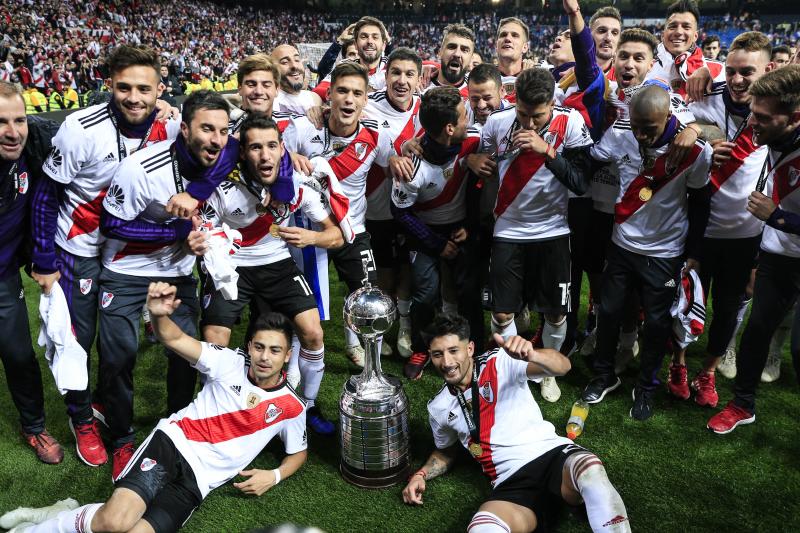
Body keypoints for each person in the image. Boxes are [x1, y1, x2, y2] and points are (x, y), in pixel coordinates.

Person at [7, 283, 307, 533]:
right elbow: (174, 337)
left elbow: (298, 452)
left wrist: (275, 475)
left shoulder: (291, 406)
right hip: (173, 444)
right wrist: (159, 315)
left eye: (274, 350)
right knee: (114, 521)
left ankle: (62, 511)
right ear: (250, 345)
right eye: (259, 347)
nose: (264, 357)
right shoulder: (228, 361)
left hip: (198, 483)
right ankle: (36, 527)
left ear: (287, 355)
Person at [30, 45, 181, 469]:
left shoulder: (170, 129)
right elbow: (46, 194)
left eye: (144, 89)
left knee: (119, 347)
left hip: (132, 255)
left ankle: (104, 408)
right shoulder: (80, 127)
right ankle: (82, 421)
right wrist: (44, 260)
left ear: (159, 90)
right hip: (78, 250)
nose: (135, 98)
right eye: (125, 87)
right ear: (110, 85)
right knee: (77, 342)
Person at [97, 90, 239, 478]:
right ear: (184, 128)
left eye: (222, 130)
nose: (216, 139)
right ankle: (123, 439)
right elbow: (111, 224)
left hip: (176, 273)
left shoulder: (220, 152)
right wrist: (177, 233)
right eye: (206, 129)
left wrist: (197, 195)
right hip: (126, 270)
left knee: (187, 353)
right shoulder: (141, 167)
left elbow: (232, 149)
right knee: (118, 355)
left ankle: (176, 426)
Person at [401, 313, 629, 533]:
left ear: (469, 348)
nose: (447, 362)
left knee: (590, 472)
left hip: (553, 457)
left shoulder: (500, 361)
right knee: (482, 528)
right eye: (437, 354)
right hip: (510, 483)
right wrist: (420, 475)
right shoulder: (439, 406)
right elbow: (446, 451)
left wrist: (533, 355)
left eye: (453, 351)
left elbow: (563, 366)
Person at [197, 113, 346, 436]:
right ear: (242, 153)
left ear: (282, 149)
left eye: (271, 146)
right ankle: (220, 412)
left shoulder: (295, 186)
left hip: (277, 264)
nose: (265, 156)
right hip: (233, 267)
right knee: (214, 342)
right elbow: (204, 235)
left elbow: (335, 235)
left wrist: (312, 238)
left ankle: (306, 405)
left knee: (313, 333)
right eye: (255, 148)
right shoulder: (222, 188)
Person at [580, 86, 712, 420]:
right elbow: (593, 161)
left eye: (649, 128)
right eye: (635, 125)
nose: (640, 134)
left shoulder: (694, 150)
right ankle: (604, 376)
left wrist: (694, 251)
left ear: (669, 116)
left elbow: (700, 203)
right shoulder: (622, 131)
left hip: (665, 251)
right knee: (607, 312)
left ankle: (646, 387)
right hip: (621, 243)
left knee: (656, 324)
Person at [665, 31, 773, 406]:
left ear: (768, 70)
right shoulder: (705, 92)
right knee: (684, 300)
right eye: (731, 70)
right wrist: (697, 131)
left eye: (748, 72)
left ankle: (707, 370)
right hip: (696, 227)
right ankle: (678, 363)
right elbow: (672, 109)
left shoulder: (777, 109)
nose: (738, 80)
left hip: (745, 233)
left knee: (728, 309)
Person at [481, 68, 594, 403]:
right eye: (523, 114)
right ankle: (515, 370)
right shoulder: (497, 123)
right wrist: (474, 159)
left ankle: (546, 372)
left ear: (551, 105)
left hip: (553, 231)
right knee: (502, 314)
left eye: (537, 116)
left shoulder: (569, 123)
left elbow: (581, 183)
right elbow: (483, 158)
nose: (529, 123)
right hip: (508, 230)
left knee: (556, 313)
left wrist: (548, 151)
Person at [708, 65, 800, 434]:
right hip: (778, 255)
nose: (752, 124)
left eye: (762, 118)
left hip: (784, 238)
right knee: (757, 330)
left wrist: (777, 218)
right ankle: (742, 404)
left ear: (793, 118)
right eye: (751, 114)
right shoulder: (771, 138)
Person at [283, 62, 394, 367]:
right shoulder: (303, 128)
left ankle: (366, 359)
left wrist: (403, 154)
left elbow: (392, 158)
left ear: (365, 99)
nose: (348, 99)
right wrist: (288, 156)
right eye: (342, 91)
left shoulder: (376, 135)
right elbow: (273, 162)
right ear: (328, 95)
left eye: (357, 93)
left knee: (370, 301)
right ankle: (294, 369)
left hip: (352, 230)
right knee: (301, 306)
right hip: (308, 230)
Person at [390, 87, 483, 380]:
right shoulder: (411, 165)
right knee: (426, 293)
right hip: (425, 234)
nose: (470, 120)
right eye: (464, 115)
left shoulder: (475, 143)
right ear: (450, 128)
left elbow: (481, 192)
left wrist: (470, 226)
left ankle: (477, 349)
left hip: (462, 228)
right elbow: (400, 212)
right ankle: (422, 347)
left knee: (469, 292)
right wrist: (436, 243)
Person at [0, 81, 64, 464]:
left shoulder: (38, 138)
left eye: (19, 119)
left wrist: (164, 112)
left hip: (4, 277)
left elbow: (98, 129)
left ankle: (34, 427)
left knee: (20, 355)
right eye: (1, 122)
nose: (13, 131)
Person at [363, 47, 424, 358]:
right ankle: (380, 331)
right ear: (385, 76)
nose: (401, 80)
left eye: (409, 74)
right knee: (384, 274)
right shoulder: (367, 106)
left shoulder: (426, 110)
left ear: (419, 79)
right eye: (396, 73)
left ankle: (405, 327)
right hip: (376, 208)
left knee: (407, 270)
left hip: (414, 208)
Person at [313, 16, 390, 100]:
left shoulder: (392, 68)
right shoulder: (345, 66)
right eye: (364, 37)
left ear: (383, 45)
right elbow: (318, 92)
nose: (369, 41)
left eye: (375, 37)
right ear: (356, 45)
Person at [422, 24, 475, 97]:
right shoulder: (418, 84)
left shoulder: (475, 93)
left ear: (470, 59)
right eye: (451, 47)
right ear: (440, 53)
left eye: (464, 50)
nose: (457, 54)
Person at [271, 44, 323, 115]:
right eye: (285, 62)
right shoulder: (267, 101)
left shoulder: (315, 99)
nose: (294, 66)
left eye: (297, 60)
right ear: (272, 70)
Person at [494, 17, 530, 103]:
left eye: (515, 35)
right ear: (496, 46)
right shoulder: (482, 78)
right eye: (503, 35)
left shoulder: (540, 78)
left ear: (525, 47)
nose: (507, 39)